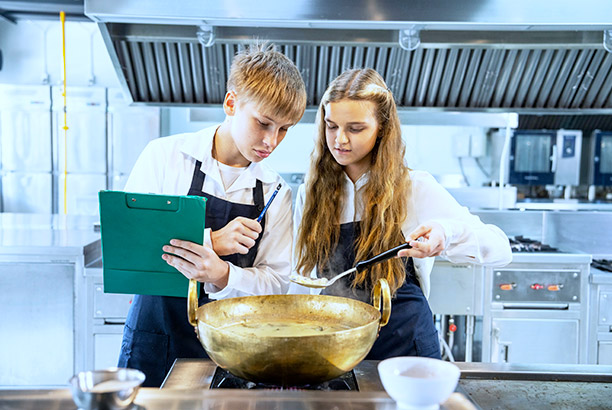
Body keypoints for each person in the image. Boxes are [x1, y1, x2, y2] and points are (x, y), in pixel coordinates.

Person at [118, 44, 307, 387]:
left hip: (234, 351)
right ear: (232, 103)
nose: (271, 141)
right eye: (263, 123)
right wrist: (212, 242)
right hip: (154, 338)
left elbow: (277, 284)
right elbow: (125, 247)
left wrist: (222, 275)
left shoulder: (276, 192)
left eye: (284, 129)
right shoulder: (165, 157)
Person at [292, 68, 511, 360]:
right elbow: (297, 278)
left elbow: (500, 247)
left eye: (355, 129)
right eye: (331, 126)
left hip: (406, 346)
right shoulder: (311, 192)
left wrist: (446, 234)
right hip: (334, 348)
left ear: (382, 127)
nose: (340, 140)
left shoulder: (412, 187)